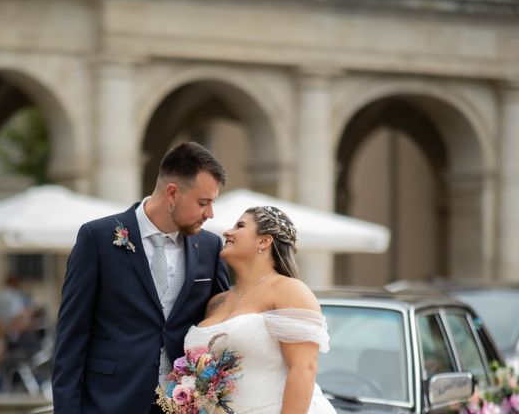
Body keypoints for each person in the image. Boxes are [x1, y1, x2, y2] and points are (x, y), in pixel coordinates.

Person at [52, 141, 230, 414]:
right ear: (172, 193)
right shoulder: (97, 239)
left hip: (183, 406)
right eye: (203, 202)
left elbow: (221, 327)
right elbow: (71, 337)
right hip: (110, 403)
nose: (210, 213)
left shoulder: (210, 247)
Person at [183, 206, 336, 414]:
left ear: (263, 241)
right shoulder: (216, 302)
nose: (228, 232)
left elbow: (303, 370)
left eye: (240, 226)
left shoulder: (288, 290)